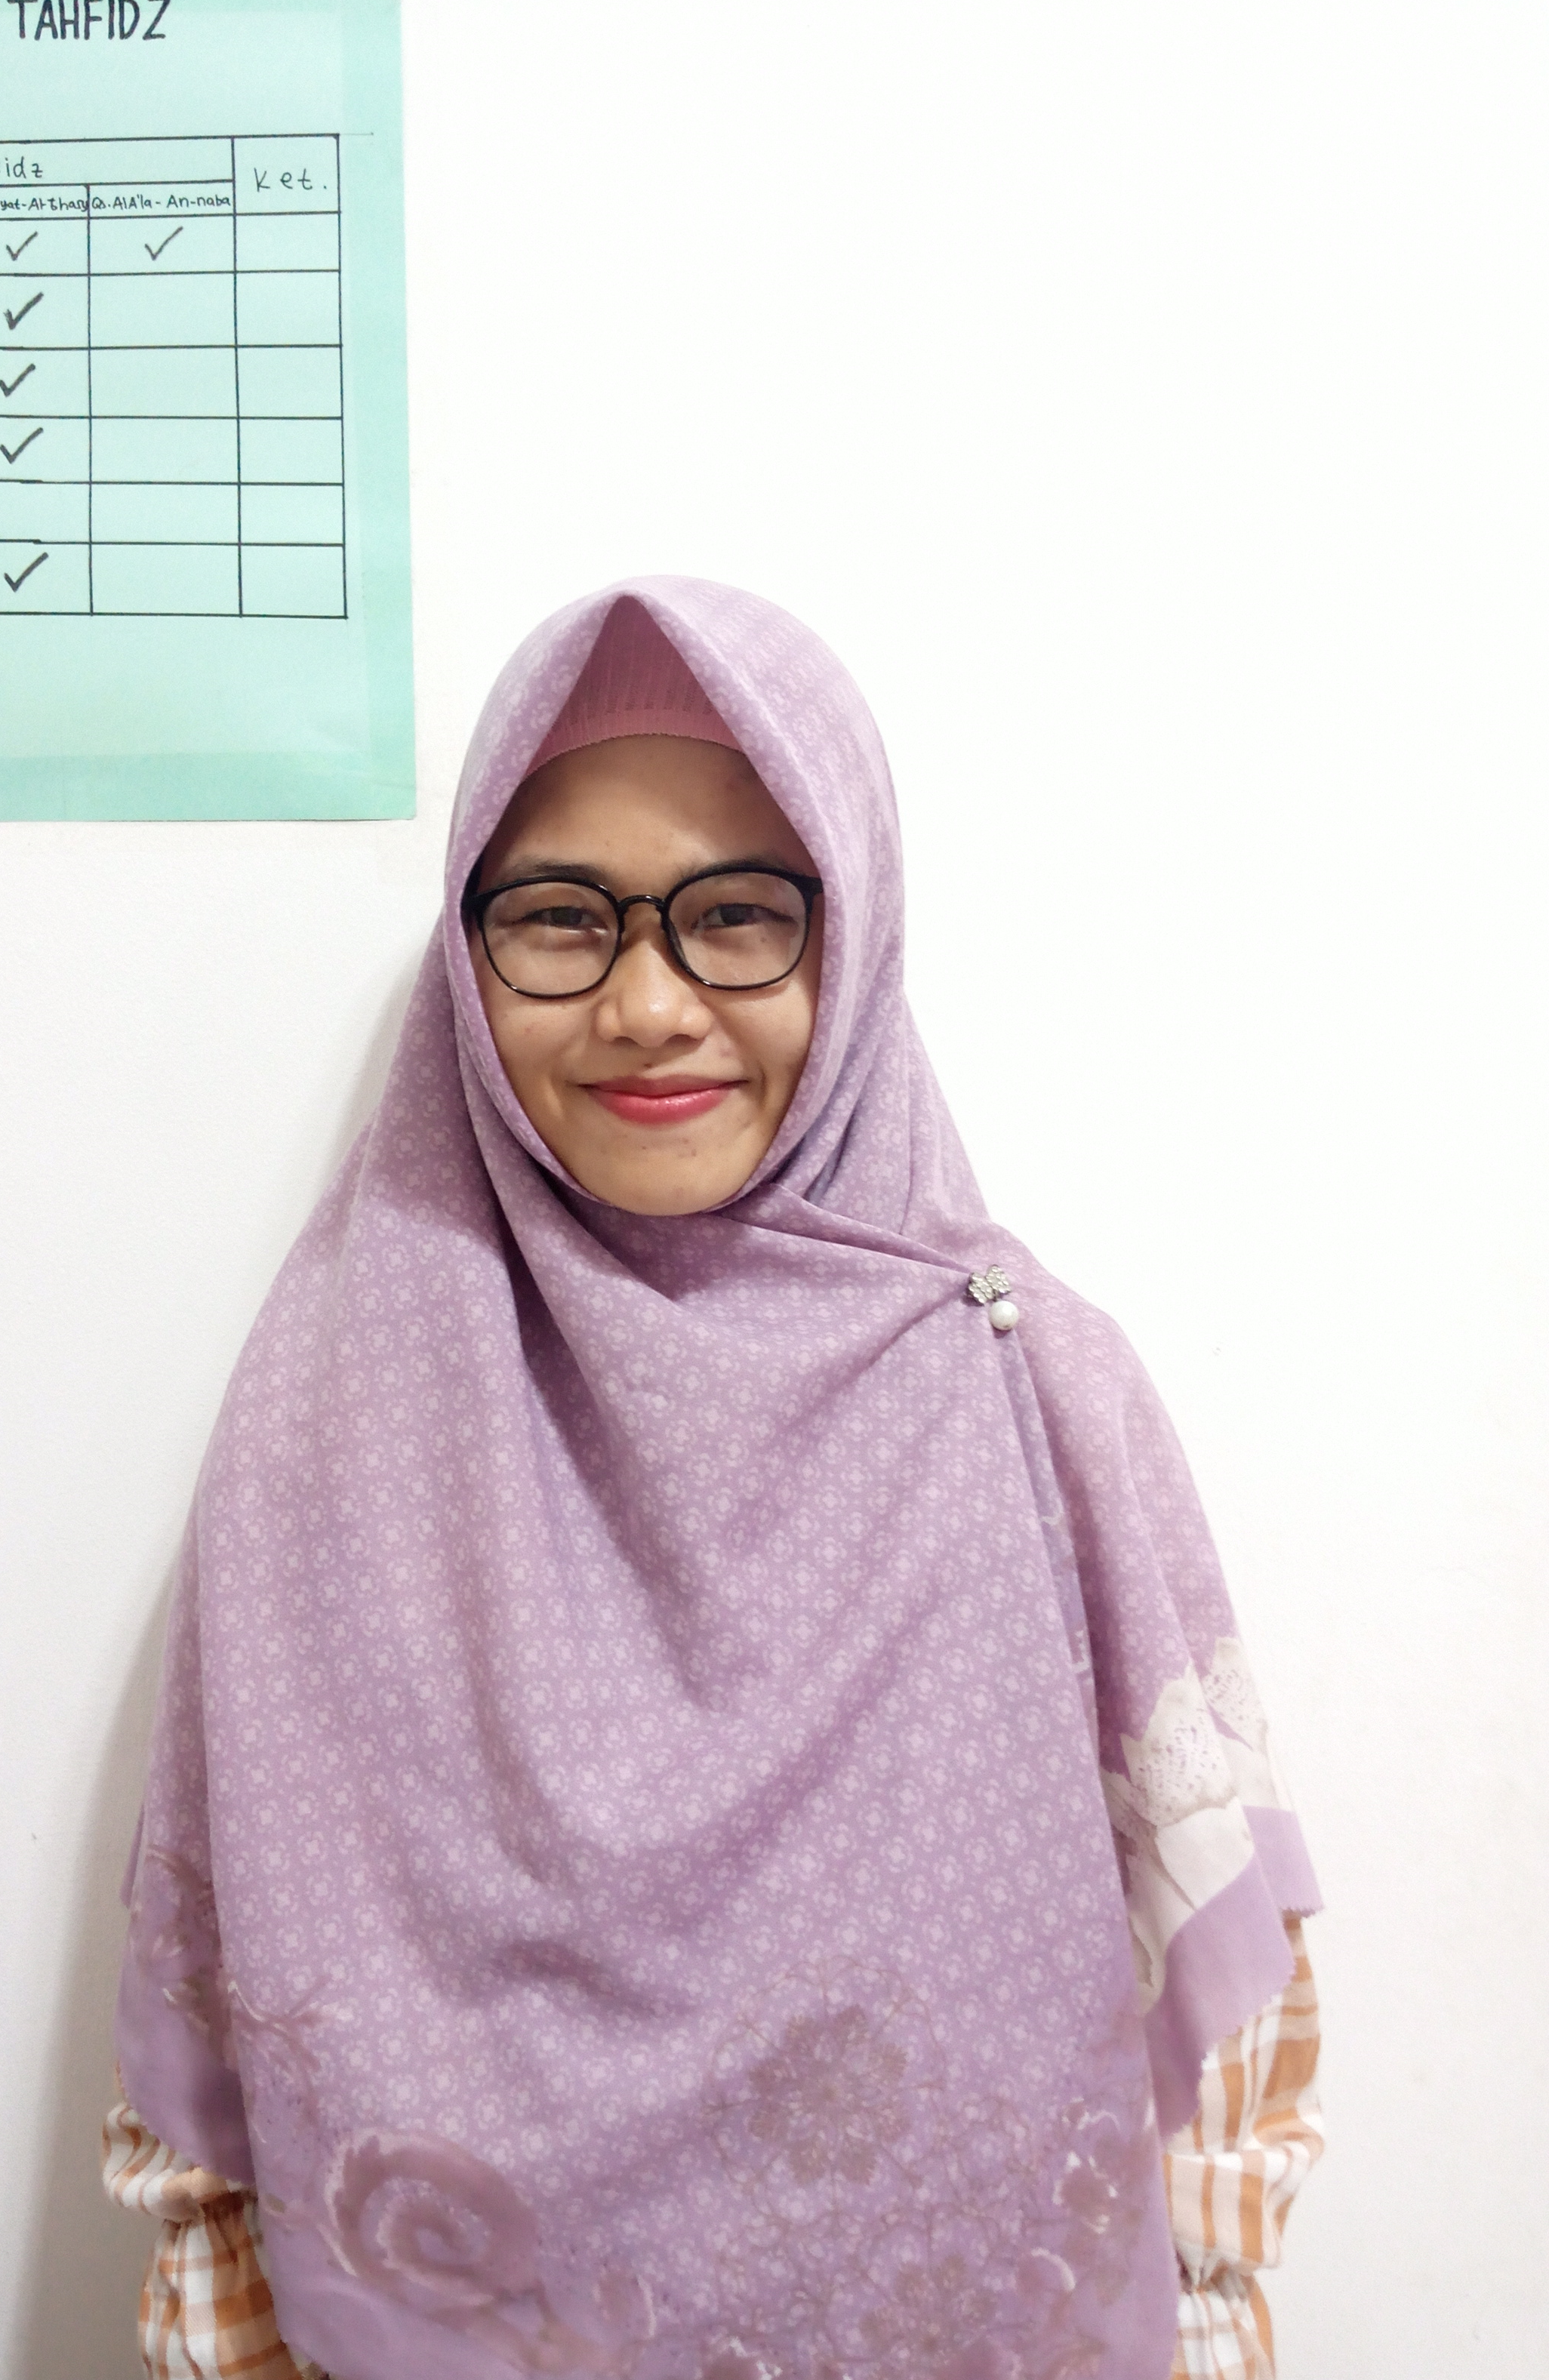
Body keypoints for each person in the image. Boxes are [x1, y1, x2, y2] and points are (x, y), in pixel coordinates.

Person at [104, 580, 1322, 2380]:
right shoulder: (332, 1420)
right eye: (559, 918)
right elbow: (215, 2129)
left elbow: (1219, 2073)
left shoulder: (1024, 1383)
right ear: (467, 956)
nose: (649, 1003)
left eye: (739, 914)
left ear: (858, 940)